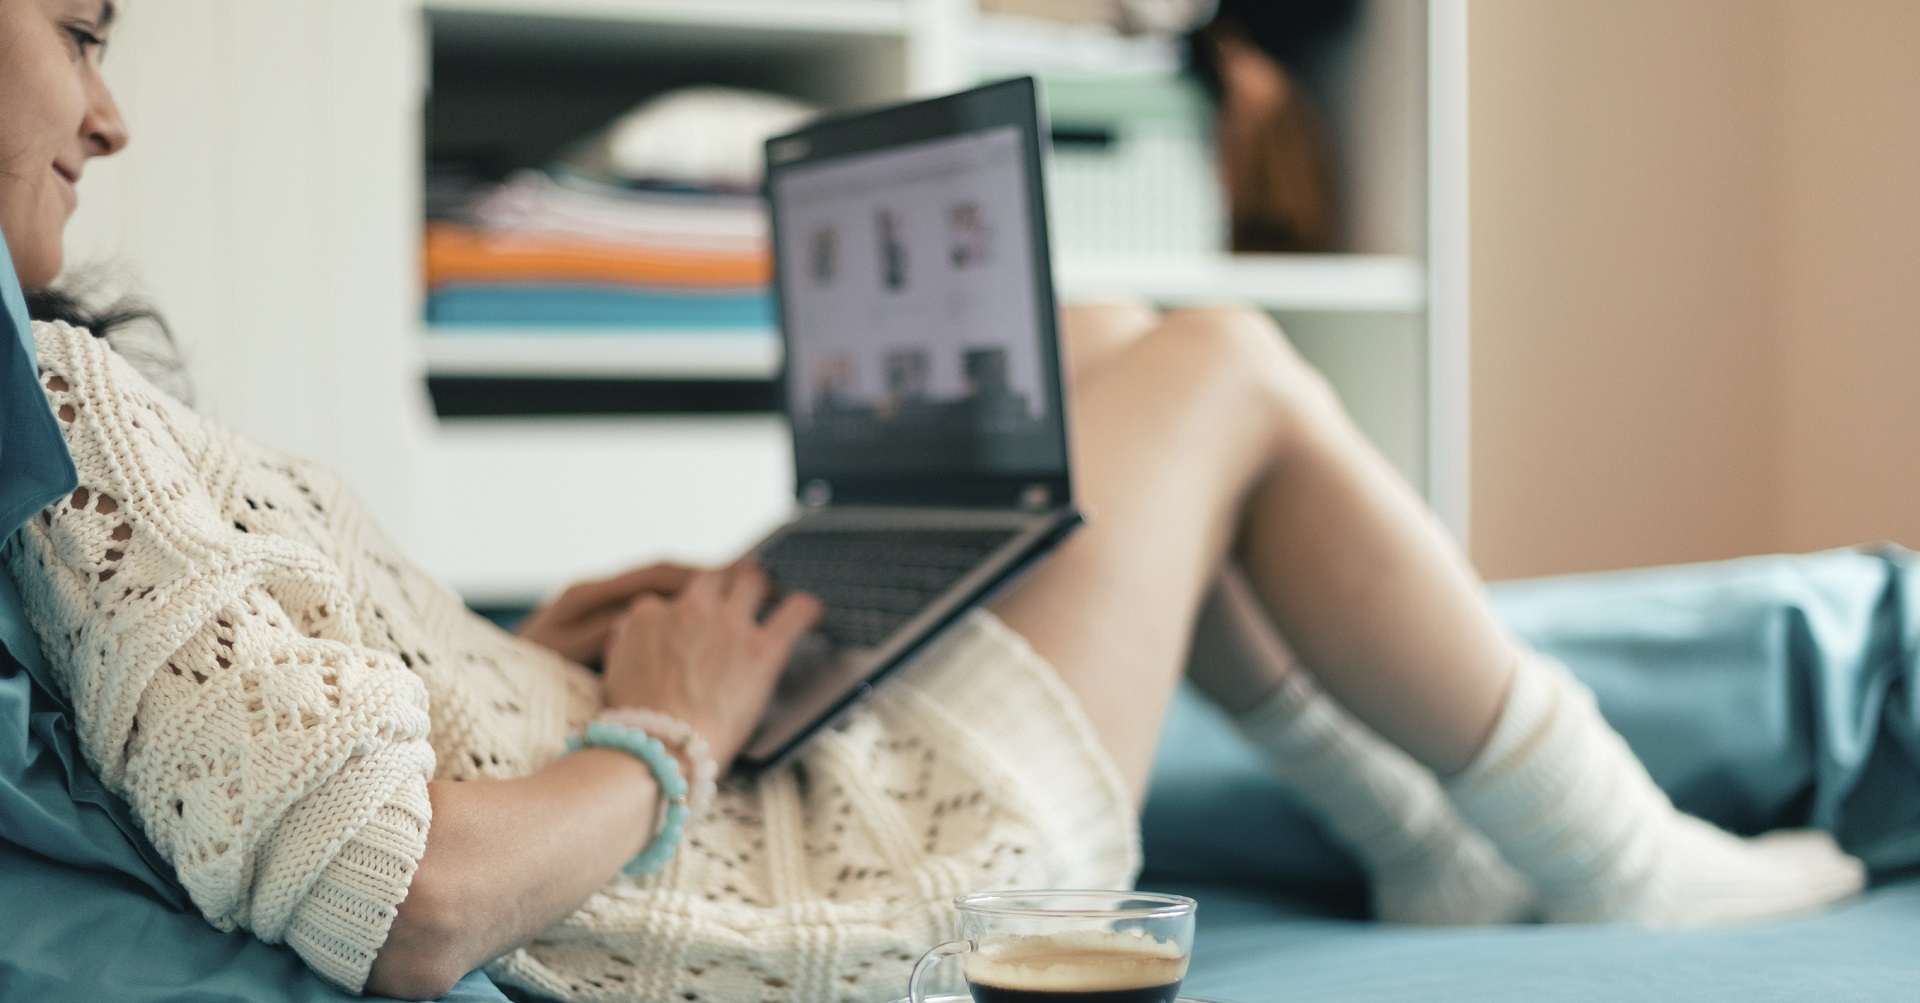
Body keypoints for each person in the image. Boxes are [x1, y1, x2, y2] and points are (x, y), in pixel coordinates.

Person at [0, 2, 1865, 1001]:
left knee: (1106, 332)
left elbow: (290, 711)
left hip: (710, 783)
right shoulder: (56, 423)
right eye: (84, 32)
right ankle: (1620, 863)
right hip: (830, 875)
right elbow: (406, 904)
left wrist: (537, 648)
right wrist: (671, 727)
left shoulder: (49, 404)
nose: (113, 113)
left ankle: (1424, 844)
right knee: (1212, 362)